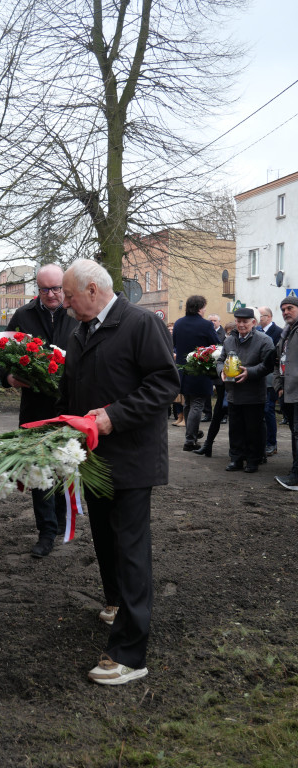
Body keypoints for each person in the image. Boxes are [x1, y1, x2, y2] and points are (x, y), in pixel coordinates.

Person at [58, 259, 179, 686]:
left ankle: (129, 653)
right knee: (106, 539)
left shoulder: (141, 323)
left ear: (93, 290)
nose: (65, 303)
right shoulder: (81, 330)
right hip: (95, 459)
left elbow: (165, 384)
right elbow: (74, 388)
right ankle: (116, 603)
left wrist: (114, 416)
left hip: (131, 457)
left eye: (70, 296)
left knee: (130, 549)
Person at [0, 263, 78, 558]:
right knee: (38, 469)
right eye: (44, 289)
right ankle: (45, 531)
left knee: (64, 466)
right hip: (34, 407)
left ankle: (59, 520)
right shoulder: (23, 316)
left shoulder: (77, 314)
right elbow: (3, 352)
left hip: (70, 407)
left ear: (64, 287)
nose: (51, 294)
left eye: (56, 288)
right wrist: (8, 377)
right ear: (38, 289)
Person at [216, 307, 274, 473]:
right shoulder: (229, 341)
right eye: (238, 321)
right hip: (233, 393)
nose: (241, 325)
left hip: (254, 393)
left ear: (253, 322)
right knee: (235, 428)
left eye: (245, 322)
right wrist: (221, 371)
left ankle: (253, 460)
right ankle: (236, 459)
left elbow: (267, 365)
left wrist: (250, 372)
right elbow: (220, 360)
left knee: (253, 429)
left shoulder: (264, 340)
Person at [172, 296, 220, 451]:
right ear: (200, 308)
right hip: (199, 368)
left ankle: (191, 432)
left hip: (182, 369)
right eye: (204, 307)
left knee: (188, 402)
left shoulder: (179, 323)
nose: (205, 310)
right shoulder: (206, 325)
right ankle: (190, 439)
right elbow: (215, 344)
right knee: (197, 404)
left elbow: (175, 344)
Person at [273, 297, 298, 489]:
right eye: (283, 309)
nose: (285, 312)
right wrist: (278, 386)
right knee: (294, 432)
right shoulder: (286, 332)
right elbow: (277, 361)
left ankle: (296, 477)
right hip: (287, 391)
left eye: (290, 308)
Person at [258, 306, 283, 457]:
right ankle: (261, 441)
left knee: (268, 410)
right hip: (258, 377)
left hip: (271, 378)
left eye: (260, 316)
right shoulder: (256, 332)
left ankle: (271, 443)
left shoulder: (278, 332)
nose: (259, 319)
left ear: (268, 317)